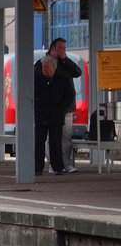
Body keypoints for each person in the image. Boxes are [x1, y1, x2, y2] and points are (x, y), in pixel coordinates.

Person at [34, 37, 82, 173]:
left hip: (64, 108)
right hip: (44, 109)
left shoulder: (65, 64)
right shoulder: (41, 63)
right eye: (62, 48)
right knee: (45, 140)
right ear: (54, 48)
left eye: (65, 48)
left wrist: (65, 60)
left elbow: (78, 73)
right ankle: (51, 165)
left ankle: (64, 164)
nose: (64, 51)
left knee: (64, 137)